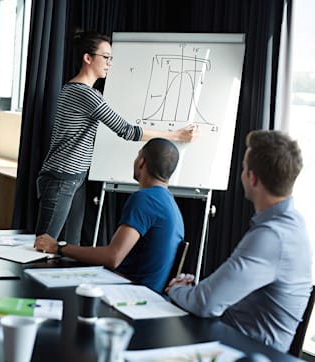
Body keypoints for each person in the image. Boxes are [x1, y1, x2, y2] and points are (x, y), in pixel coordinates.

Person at [36, 30, 197, 245]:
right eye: (106, 57)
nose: (110, 63)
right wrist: (176, 134)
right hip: (62, 177)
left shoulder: (74, 89)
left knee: (70, 246)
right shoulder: (85, 94)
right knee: (44, 245)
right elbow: (127, 131)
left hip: (74, 177)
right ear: (88, 58)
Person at [166, 130, 312, 353]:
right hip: (234, 339)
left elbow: (206, 304)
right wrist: (197, 291)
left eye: (243, 168)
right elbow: (216, 296)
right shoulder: (293, 224)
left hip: (245, 352)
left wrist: (176, 290)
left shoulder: (272, 236)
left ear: (252, 178)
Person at [35, 138, 184, 293]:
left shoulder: (146, 199)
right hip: (145, 294)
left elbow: (113, 257)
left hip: (128, 294)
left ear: (141, 162)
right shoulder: (171, 205)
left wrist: (58, 247)